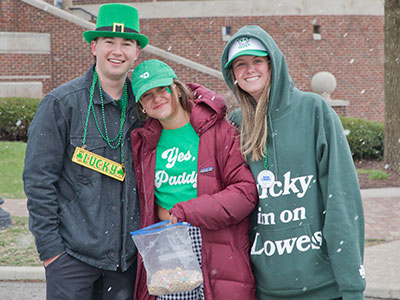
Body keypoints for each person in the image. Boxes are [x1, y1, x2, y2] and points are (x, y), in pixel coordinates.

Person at [220, 25, 366, 300]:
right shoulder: (236, 125)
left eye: (257, 61)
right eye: (240, 64)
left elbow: (341, 200)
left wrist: (351, 285)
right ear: (232, 75)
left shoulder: (313, 111)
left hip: (323, 288)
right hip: (265, 290)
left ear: (273, 63)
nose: (250, 69)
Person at [22, 4, 148, 299]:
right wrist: (52, 252)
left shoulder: (144, 109)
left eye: (126, 44)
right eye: (109, 42)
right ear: (94, 46)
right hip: (72, 261)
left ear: (136, 53)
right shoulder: (61, 104)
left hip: (126, 264)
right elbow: (39, 181)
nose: (117, 51)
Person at [130, 59, 258, 300]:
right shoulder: (144, 144)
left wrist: (188, 211)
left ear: (177, 88)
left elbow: (245, 193)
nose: (157, 98)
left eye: (163, 89)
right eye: (147, 95)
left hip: (217, 241)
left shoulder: (218, 131)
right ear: (142, 106)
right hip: (166, 242)